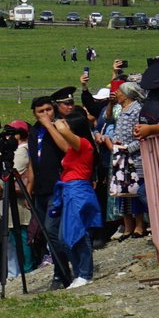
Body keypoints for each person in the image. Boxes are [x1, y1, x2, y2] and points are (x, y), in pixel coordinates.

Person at [47, 108, 101, 288]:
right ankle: (78, 273)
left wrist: (55, 120)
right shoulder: (73, 148)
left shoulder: (83, 144)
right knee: (64, 237)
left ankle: (85, 274)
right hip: (69, 190)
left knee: (78, 233)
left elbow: (63, 131)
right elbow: (62, 137)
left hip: (78, 191)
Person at [26, 95, 74, 290]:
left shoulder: (60, 126)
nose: (45, 114)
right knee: (46, 233)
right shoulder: (33, 132)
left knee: (52, 229)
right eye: (41, 111)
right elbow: (32, 161)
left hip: (57, 185)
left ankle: (62, 272)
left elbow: (66, 148)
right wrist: (29, 188)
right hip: (40, 189)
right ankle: (60, 271)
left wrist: (49, 126)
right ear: (35, 114)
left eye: (48, 110)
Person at [110, 81, 147, 239]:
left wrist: (127, 148)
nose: (116, 94)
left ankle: (139, 226)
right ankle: (128, 226)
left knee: (134, 190)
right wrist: (116, 142)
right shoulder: (121, 110)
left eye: (119, 91)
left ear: (126, 95)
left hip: (134, 158)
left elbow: (141, 137)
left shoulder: (137, 110)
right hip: (121, 158)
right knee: (122, 191)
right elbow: (117, 131)